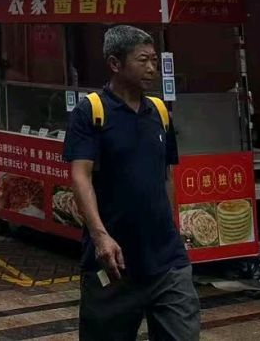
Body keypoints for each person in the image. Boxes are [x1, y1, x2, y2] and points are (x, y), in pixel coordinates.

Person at [64, 25, 198, 341]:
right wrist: (100, 237)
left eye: (154, 60)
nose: (151, 68)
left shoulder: (160, 112)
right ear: (115, 63)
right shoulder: (92, 111)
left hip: (167, 261)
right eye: (143, 60)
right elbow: (80, 175)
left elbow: (166, 176)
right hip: (114, 263)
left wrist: (172, 227)